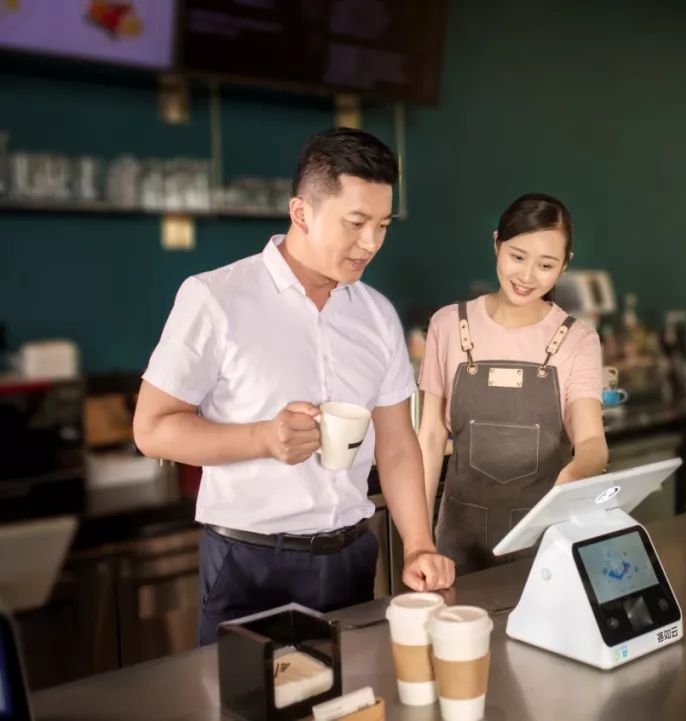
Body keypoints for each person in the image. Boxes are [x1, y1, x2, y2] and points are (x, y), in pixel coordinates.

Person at [133, 128, 454, 645]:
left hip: (353, 556)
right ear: (301, 212)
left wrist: (418, 544)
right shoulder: (215, 297)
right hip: (249, 563)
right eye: (355, 223)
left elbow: (396, 443)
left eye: (382, 225)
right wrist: (261, 438)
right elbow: (151, 430)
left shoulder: (376, 315)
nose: (370, 243)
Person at [416, 193, 609, 574]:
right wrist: (418, 539)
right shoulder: (448, 325)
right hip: (455, 543)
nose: (526, 276)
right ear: (496, 243)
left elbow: (592, 443)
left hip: (543, 545)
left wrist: (574, 474)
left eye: (546, 264)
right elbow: (431, 437)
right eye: (517, 256)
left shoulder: (578, 340)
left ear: (565, 265)